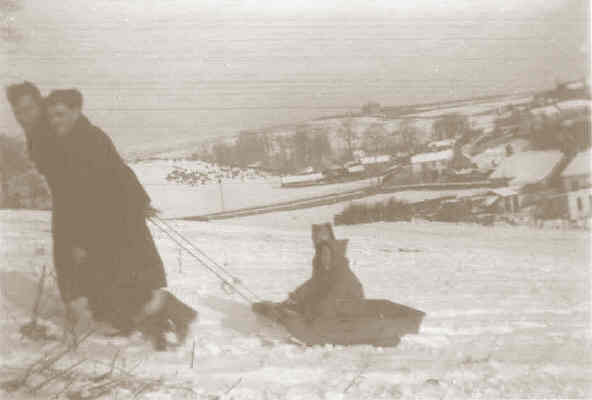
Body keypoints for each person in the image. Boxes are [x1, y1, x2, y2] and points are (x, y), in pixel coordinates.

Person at [6, 83, 196, 350]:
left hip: (94, 211)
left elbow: (103, 174)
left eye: (28, 109)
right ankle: (135, 318)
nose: (23, 116)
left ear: (40, 105)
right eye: (18, 112)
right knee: (103, 273)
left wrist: (82, 234)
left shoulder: (58, 134)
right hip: (79, 210)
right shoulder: (42, 133)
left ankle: (154, 316)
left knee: (101, 270)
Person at [256, 223, 364, 322]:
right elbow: (313, 284)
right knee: (306, 302)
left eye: (321, 237)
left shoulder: (341, 270)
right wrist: (295, 297)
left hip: (349, 309)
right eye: (315, 237)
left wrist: (313, 311)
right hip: (331, 303)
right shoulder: (321, 262)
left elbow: (335, 295)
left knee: (313, 308)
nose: (317, 240)